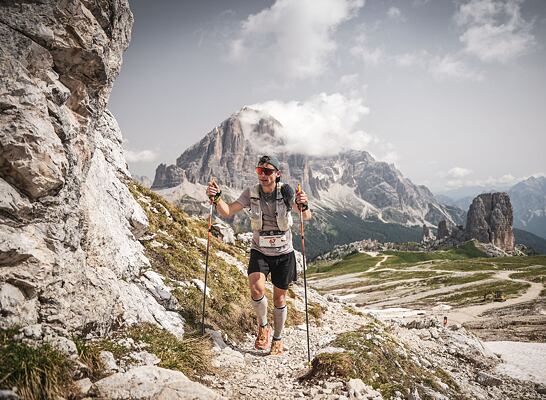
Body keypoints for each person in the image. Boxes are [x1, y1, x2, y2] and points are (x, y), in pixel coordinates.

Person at [206, 155, 311, 355]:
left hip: (284, 254)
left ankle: (278, 339)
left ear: (277, 174)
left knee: (279, 300)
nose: (263, 175)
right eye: (259, 171)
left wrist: (303, 204)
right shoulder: (250, 193)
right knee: (256, 289)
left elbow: (304, 215)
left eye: (268, 171)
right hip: (260, 250)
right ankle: (263, 327)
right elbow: (227, 211)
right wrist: (217, 197)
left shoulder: (287, 191)